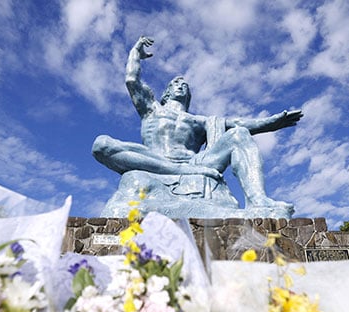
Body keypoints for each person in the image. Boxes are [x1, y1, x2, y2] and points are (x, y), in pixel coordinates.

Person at [92, 36, 301, 212]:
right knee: (102, 144)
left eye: (185, 85)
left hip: (196, 163)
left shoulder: (199, 121)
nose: (180, 86)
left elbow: (238, 123)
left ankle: (258, 200)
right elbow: (131, 81)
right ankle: (174, 171)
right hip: (155, 159)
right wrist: (135, 53)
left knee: (239, 134)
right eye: (175, 83)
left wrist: (272, 123)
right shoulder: (152, 109)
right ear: (166, 93)